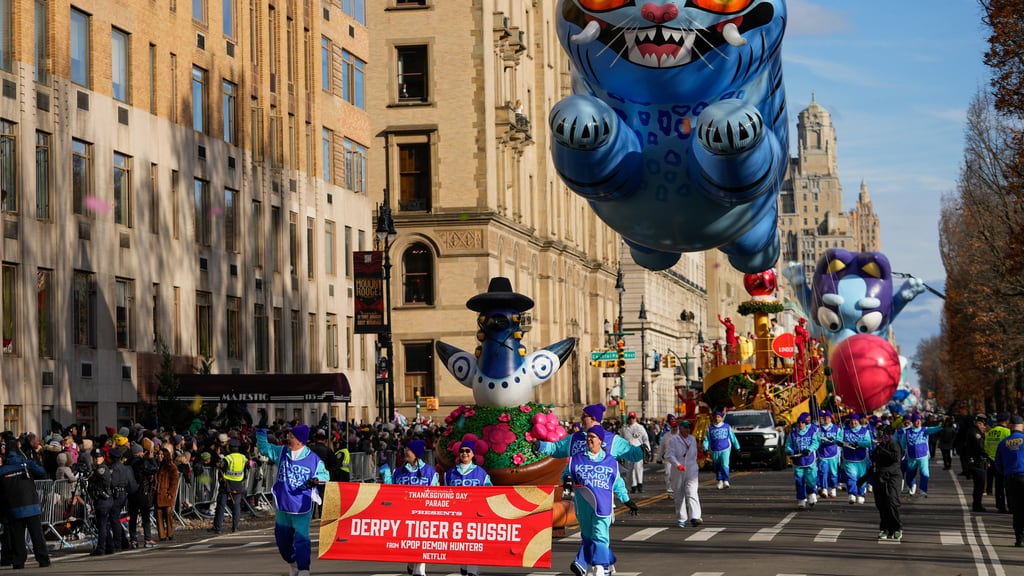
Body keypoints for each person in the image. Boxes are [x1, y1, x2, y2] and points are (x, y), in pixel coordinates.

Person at [257, 424, 329, 576]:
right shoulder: (282, 452)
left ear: (300, 441)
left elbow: (325, 476)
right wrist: (260, 430)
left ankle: (304, 568)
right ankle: (292, 562)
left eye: (291, 436)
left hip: (301, 505)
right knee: (282, 540)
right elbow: (264, 449)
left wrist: (315, 480)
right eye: (288, 435)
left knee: (302, 538)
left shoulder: (313, 459)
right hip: (283, 504)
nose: (287, 438)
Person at [567, 425, 638, 576]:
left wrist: (626, 500)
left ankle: (600, 567)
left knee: (599, 535)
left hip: (603, 506)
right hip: (583, 505)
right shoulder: (577, 458)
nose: (589, 439)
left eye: (592, 437)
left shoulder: (610, 461)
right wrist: (566, 480)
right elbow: (567, 473)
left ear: (600, 441)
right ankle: (607, 562)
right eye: (588, 437)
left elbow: (617, 482)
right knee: (587, 536)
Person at [389, 439, 438, 576]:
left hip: (423, 514)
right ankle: (411, 562)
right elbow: (391, 492)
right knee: (409, 541)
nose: (406, 451)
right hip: (404, 514)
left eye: (409, 449)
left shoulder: (430, 472)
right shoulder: (398, 472)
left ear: (416, 453)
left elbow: (436, 493)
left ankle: (420, 570)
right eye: (405, 449)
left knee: (421, 540)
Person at [0, 437, 51, 569]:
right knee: (37, 535)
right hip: (32, 505)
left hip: (13, 508)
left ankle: (18, 561)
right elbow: (42, 472)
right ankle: (43, 559)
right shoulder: (26, 464)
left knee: (17, 537)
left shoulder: (2, 470)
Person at [444, 441, 492, 576]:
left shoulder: (481, 473)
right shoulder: (450, 473)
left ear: (472, 454)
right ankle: (464, 565)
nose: (464, 453)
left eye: (467, 451)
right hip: (457, 514)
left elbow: (489, 492)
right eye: (462, 451)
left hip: (474, 514)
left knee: (473, 541)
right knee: (460, 541)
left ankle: (472, 570)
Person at [867, 422, 903, 540]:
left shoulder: (893, 443)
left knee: (892, 502)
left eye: (880, 433)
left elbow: (895, 458)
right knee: (881, 505)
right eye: (877, 433)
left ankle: (897, 528)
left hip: (893, 477)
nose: (878, 435)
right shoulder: (878, 445)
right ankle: (885, 529)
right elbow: (874, 461)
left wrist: (881, 448)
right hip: (879, 477)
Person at [663, 419, 701, 527]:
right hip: (678, 470)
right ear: (681, 428)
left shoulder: (692, 439)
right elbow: (669, 455)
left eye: (689, 428)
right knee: (679, 495)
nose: (688, 430)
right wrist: (677, 464)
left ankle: (695, 517)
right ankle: (681, 518)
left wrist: (693, 466)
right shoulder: (673, 440)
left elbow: (694, 454)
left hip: (691, 469)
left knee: (692, 492)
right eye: (685, 428)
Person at [995, 414, 1024, 546]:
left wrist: (1007, 473)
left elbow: (998, 464)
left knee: (1017, 509)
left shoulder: (1003, 443)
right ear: (1021, 426)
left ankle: (1019, 538)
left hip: (1011, 478)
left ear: (1010, 426)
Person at [901, 412, 943, 498]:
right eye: (916, 421)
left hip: (923, 456)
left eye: (919, 420)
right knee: (909, 475)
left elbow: (934, 429)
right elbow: (902, 443)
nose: (919, 422)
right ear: (913, 422)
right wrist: (905, 451)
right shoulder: (907, 432)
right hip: (912, 457)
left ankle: (923, 490)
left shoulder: (925, 430)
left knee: (925, 473)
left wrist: (942, 426)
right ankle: (911, 485)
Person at [785, 412, 821, 509]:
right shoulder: (792, 434)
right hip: (798, 461)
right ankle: (801, 499)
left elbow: (816, 443)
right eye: (799, 423)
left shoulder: (811, 432)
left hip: (809, 460)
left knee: (811, 479)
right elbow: (788, 445)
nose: (800, 424)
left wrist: (809, 450)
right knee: (799, 481)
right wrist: (789, 451)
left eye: (802, 423)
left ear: (805, 424)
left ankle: (811, 493)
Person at [212, 438, 247, 534]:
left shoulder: (228, 458)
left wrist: (219, 465)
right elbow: (250, 463)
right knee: (236, 506)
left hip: (226, 484)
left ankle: (217, 527)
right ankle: (235, 527)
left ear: (230, 448)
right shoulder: (243, 457)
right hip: (238, 484)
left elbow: (222, 468)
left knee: (221, 505)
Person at [127, 441, 158, 548]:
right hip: (142, 492)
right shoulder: (141, 463)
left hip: (131, 493)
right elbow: (154, 469)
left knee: (133, 518)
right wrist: (151, 457)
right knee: (145, 517)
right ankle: (147, 539)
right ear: (139, 452)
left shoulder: (128, 463)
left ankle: (133, 540)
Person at [703, 411, 740, 489]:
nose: (717, 418)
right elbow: (706, 440)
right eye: (715, 417)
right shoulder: (710, 429)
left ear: (721, 418)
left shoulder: (727, 427)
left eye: (718, 417)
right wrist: (705, 448)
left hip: (725, 449)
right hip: (714, 450)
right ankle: (719, 481)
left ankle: (726, 480)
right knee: (717, 466)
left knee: (725, 465)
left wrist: (737, 447)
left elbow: (733, 437)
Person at [841, 413, 873, 504]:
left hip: (861, 458)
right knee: (851, 477)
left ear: (858, 421)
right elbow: (838, 440)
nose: (853, 422)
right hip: (849, 458)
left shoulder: (864, 431)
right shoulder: (844, 430)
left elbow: (868, 443)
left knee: (861, 478)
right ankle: (852, 494)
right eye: (852, 420)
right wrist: (838, 443)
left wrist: (858, 443)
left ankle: (861, 494)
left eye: (855, 420)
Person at [985, 412, 1012, 513]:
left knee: (998, 485)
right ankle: (1010, 506)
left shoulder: (991, 431)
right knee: (1008, 485)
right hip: (1003, 461)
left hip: (992, 460)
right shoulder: (1006, 432)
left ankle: (1000, 506)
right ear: (1006, 421)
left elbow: (986, 445)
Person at [963, 414, 990, 512]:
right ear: (979, 423)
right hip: (977, 461)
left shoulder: (974, 431)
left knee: (978, 484)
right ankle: (977, 505)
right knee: (980, 484)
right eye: (983, 424)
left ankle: (977, 504)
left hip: (976, 461)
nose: (984, 426)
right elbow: (980, 447)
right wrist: (987, 455)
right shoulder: (975, 433)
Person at [153, 444, 179, 542]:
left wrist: (170, 493)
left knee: (168, 514)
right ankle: (162, 535)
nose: (159, 456)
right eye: (158, 454)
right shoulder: (157, 466)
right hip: (158, 495)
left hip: (166, 495)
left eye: (161, 454)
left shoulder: (171, 466)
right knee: (158, 515)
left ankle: (170, 533)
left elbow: (174, 481)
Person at [621, 412, 651, 493]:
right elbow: (621, 440)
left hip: (638, 449)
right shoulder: (624, 429)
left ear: (635, 418)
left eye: (633, 418)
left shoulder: (640, 427)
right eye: (630, 418)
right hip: (628, 450)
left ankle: (639, 484)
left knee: (638, 468)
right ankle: (633, 486)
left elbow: (645, 438)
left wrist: (648, 450)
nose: (631, 419)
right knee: (629, 469)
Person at [816, 411, 843, 498]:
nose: (826, 419)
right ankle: (824, 489)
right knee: (823, 472)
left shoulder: (836, 428)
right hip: (822, 454)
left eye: (827, 418)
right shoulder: (819, 429)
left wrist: (833, 440)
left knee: (833, 472)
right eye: (824, 418)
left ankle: (833, 488)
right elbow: (816, 439)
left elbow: (840, 439)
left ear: (830, 419)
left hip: (833, 454)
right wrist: (821, 440)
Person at [656, 414, 679, 494]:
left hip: (679, 458)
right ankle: (669, 490)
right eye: (673, 427)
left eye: (676, 427)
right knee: (668, 473)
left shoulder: (681, 435)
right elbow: (661, 447)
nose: (675, 428)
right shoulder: (666, 436)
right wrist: (658, 458)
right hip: (669, 458)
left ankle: (678, 489)